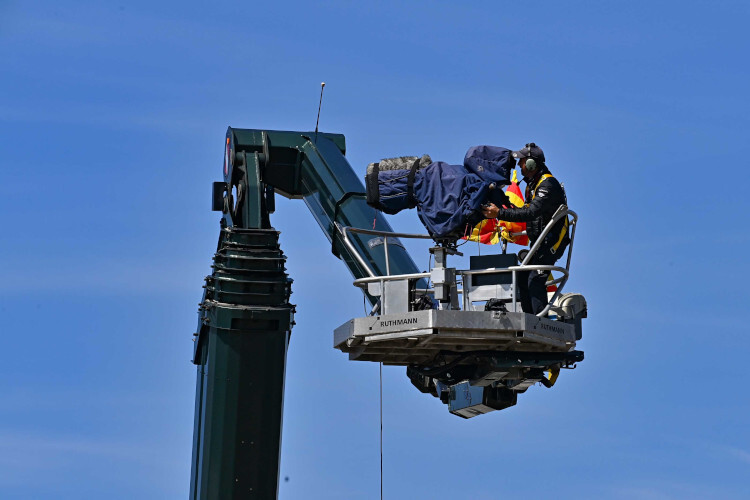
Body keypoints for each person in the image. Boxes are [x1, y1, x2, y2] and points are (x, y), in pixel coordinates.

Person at [481, 143, 569, 314]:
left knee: (534, 279)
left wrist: (499, 214)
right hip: (540, 241)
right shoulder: (533, 184)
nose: (519, 165)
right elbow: (525, 210)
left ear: (531, 164)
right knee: (522, 278)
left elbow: (530, 212)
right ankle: (530, 319)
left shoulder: (547, 185)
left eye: (522, 161)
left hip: (553, 241)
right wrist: (504, 204)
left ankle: (539, 322)